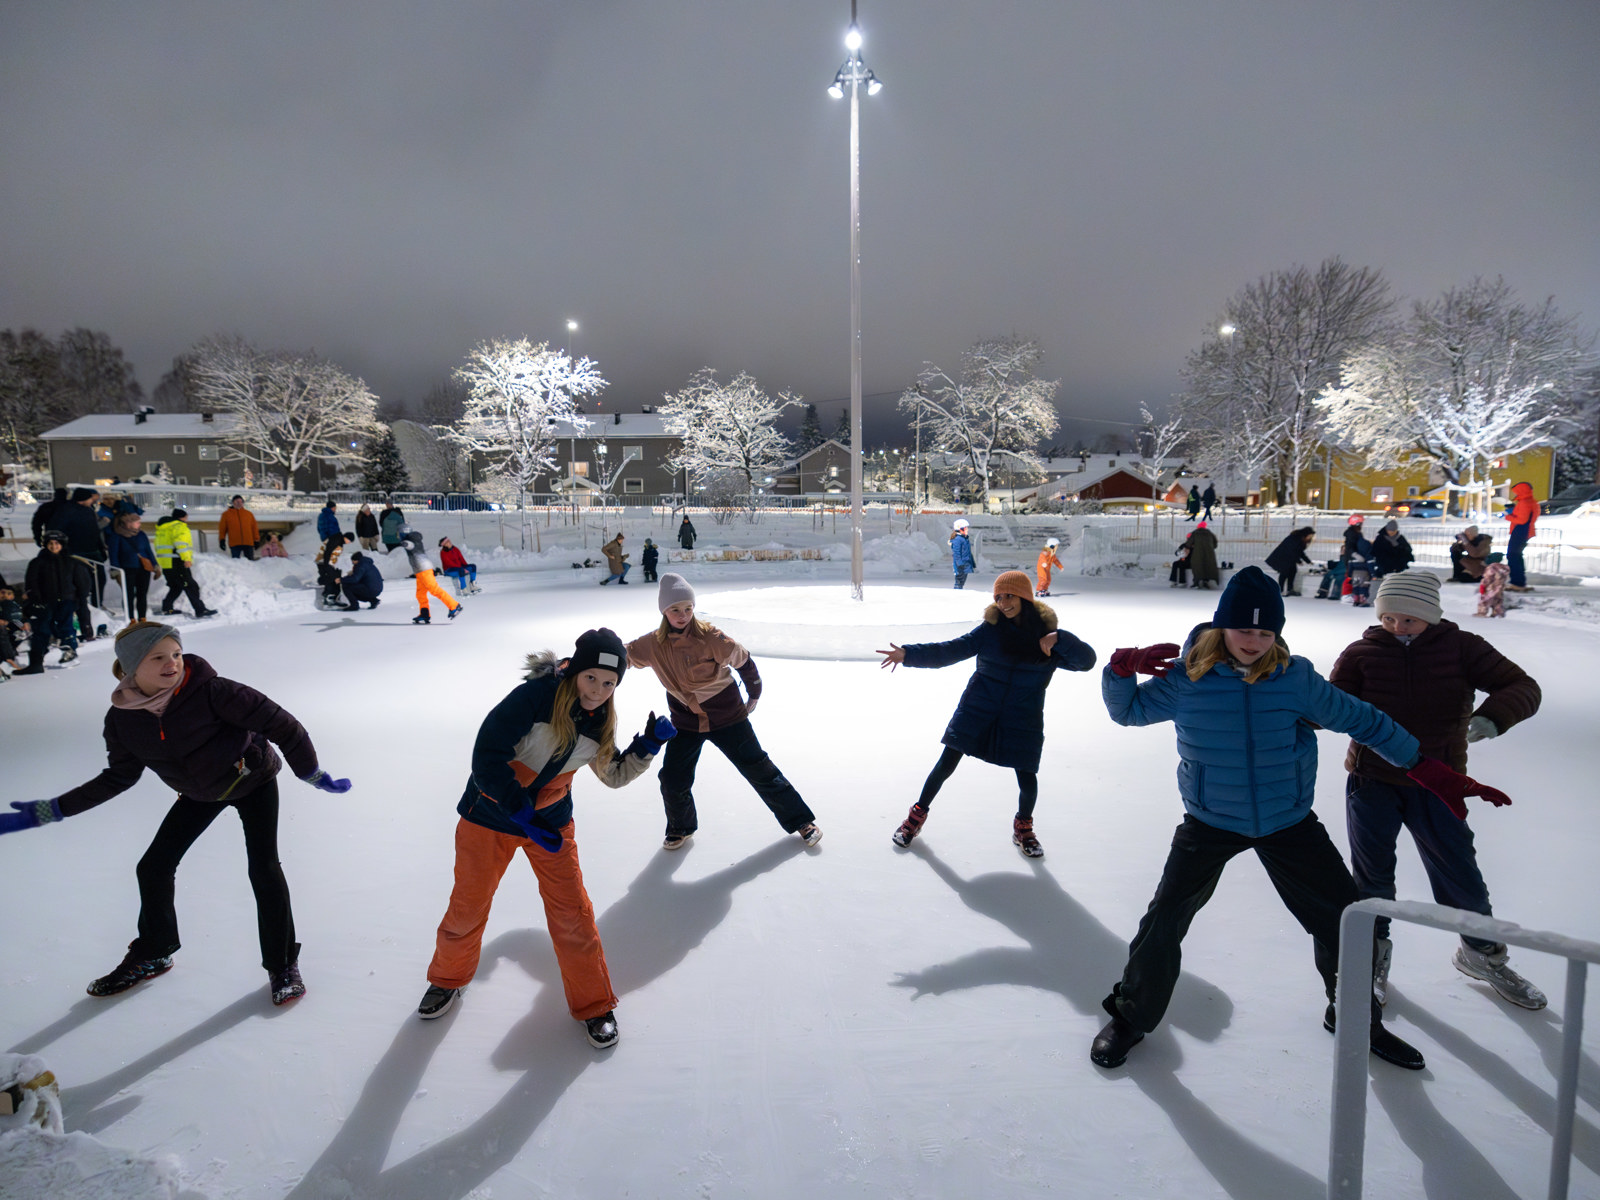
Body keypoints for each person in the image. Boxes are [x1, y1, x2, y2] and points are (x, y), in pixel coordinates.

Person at [1088, 565, 1495, 1073]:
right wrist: (1120, 671)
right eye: (1244, 629)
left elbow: (1366, 721)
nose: (1254, 641)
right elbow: (1128, 713)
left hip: (1288, 820)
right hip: (1211, 820)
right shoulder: (1187, 680)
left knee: (1346, 921)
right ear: (1222, 627)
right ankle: (1131, 1017)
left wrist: (1428, 770)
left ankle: (1355, 1018)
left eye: (1266, 632)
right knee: (1164, 920)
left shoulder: (1294, 678)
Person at [0, 620, 351, 1005]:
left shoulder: (215, 692)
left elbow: (284, 725)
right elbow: (118, 777)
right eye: (158, 658)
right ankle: (155, 950)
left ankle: (282, 965)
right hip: (199, 793)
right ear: (131, 667)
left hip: (252, 780)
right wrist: (50, 811)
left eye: (176, 654)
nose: (172, 663)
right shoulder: (123, 719)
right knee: (153, 867)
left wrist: (310, 772)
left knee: (263, 868)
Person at [418, 628, 675, 1047]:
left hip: (550, 826)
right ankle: (447, 979)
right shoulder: (534, 698)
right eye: (591, 677)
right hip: (489, 817)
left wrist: (647, 745)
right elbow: (487, 757)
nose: (598, 690)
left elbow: (612, 775)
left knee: (573, 913)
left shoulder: (600, 721)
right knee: (468, 906)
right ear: (575, 670)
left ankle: (594, 1004)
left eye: (609, 683)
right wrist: (518, 809)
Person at [1330, 571, 1545, 1010]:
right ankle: (1370, 957)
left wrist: (1493, 717)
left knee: (1459, 873)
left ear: (1430, 615)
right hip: (1372, 781)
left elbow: (1523, 686)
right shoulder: (1361, 653)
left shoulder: (1463, 648)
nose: (1397, 627)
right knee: (1371, 877)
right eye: (1388, 618)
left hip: (1439, 783)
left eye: (1408, 619)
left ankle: (1481, 954)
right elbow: (1330, 705)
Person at [878, 570, 1095, 858]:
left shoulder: (1046, 637)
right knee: (945, 765)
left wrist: (1062, 639)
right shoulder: (990, 630)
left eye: (1009, 596)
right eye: (998, 597)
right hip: (977, 709)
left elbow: (1086, 662)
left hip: (1023, 716)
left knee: (1027, 778)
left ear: (1025, 597)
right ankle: (915, 817)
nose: (1003, 603)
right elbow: (950, 650)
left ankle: (1023, 828)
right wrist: (909, 654)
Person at [625, 574, 821, 850]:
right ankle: (680, 828)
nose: (683, 615)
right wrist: (585, 661)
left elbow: (743, 660)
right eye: (675, 610)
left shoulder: (711, 637)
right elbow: (624, 656)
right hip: (686, 722)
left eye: (688, 608)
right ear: (664, 612)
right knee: (672, 777)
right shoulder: (652, 644)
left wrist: (754, 692)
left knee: (759, 769)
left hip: (727, 717)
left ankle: (802, 821)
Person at [19, 531, 79, 672]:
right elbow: (31, 582)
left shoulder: (71, 562)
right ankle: (36, 662)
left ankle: (70, 653)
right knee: (41, 630)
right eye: (50, 543)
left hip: (66, 600)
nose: (53, 546)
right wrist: (36, 598)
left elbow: (80, 582)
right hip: (44, 602)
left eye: (57, 543)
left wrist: (78, 599)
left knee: (66, 627)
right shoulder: (38, 562)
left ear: (62, 545)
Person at [154, 510, 217, 618]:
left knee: (176, 586)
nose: (187, 519)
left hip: (166, 564)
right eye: (186, 517)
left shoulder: (162, 528)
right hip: (177, 562)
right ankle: (200, 610)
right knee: (191, 586)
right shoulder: (179, 527)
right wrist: (186, 559)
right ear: (182, 517)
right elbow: (181, 544)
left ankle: (167, 607)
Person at [400, 527, 461, 624]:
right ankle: (424, 614)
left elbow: (409, 545)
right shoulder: (414, 539)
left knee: (434, 590)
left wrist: (404, 543)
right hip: (420, 571)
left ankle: (454, 606)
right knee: (420, 594)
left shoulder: (412, 541)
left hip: (424, 570)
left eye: (399, 533)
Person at [108, 511, 159, 621]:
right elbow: (113, 555)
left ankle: (142, 617)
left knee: (142, 594)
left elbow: (148, 551)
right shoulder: (117, 536)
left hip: (144, 568)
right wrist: (115, 570)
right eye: (137, 522)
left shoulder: (141, 534)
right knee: (128, 594)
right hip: (127, 569)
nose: (140, 524)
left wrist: (155, 565)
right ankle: (130, 618)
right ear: (129, 523)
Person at [1503, 481, 1537, 592]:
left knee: (1513, 556)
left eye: (1516, 491)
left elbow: (1522, 520)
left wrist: (1508, 516)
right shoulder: (1530, 501)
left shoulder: (1524, 503)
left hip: (1520, 530)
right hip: (1524, 531)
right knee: (1516, 556)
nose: (1514, 494)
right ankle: (1519, 582)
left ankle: (1517, 582)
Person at [1265, 527, 1316, 596]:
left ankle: (1290, 589)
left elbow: (1299, 552)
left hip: (1289, 558)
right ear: (1306, 534)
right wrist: (1298, 560)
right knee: (1284, 573)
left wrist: (1308, 561)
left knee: (1292, 571)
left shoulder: (1299, 539)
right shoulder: (1294, 538)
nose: (1310, 538)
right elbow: (1291, 550)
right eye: (1310, 536)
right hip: (1282, 557)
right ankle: (1280, 590)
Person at [1339, 514, 1373, 607]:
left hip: (1354, 559)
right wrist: (1355, 555)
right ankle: (1347, 595)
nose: (1362, 525)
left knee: (1355, 578)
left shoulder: (1355, 533)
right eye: (1361, 523)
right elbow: (1349, 547)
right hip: (1352, 559)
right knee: (1349, 577)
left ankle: (1355, 597)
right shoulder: (1352, 534)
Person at [315, 531, 356, 608]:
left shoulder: (338, 540)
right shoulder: (336, 540)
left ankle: (333, 598)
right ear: (346, 537)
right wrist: (327, 565)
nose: (349, 543)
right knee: (332, 578)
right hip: (324, 562)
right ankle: (329, 598)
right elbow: (328, 552)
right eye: (349, 541)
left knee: (335, 577)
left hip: (326, 563)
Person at [218, 495, 260, 560]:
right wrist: (222, 540)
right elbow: (222, 529)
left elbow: (254, 528)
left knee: (250, 562)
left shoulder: (249, 514)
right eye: (237, 501)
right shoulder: (226, 514)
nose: (239, 503)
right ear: (233, 502)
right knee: (236, 562)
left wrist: (256, 540)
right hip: (235, 543)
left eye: (241, 502)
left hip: (248, 542)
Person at [1182, 521, 1220, 589]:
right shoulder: (1210, 533)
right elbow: (1215, 544)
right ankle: (1206, 581)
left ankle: (1197, 582)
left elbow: (1189, 543)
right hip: (1209, 554)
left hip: (1197, 553)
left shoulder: (1195, 533)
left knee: (1197, 566)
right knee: (1208, 566)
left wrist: (1189, 546)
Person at [950, 518, 975, 589]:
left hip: (965, 564)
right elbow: (956, 553)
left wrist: (972, 562)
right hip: (960, 565)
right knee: (959, 582)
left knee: (962, 582)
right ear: (960, 529)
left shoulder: (964, 539)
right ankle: (957, 592)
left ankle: (959, 591)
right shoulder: (958, 540)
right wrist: (959, 563)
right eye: (966, 528)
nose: (967, 530)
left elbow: (968, 552)